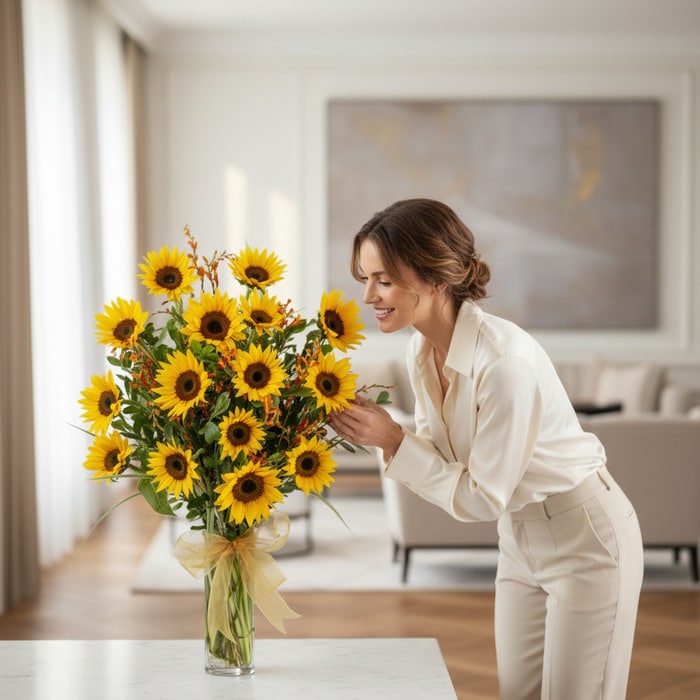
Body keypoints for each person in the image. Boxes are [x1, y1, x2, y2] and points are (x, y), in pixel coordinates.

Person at [328, 198, 644, 700]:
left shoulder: (505, 364)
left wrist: (393, 438)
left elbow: (480, 495)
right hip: (519, 538)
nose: (368, 295)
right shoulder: (421, 349)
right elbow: (442, 454)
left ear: (436, 278)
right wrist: (388, 434)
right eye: (364, 278)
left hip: (586, 537)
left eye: (383, 279)